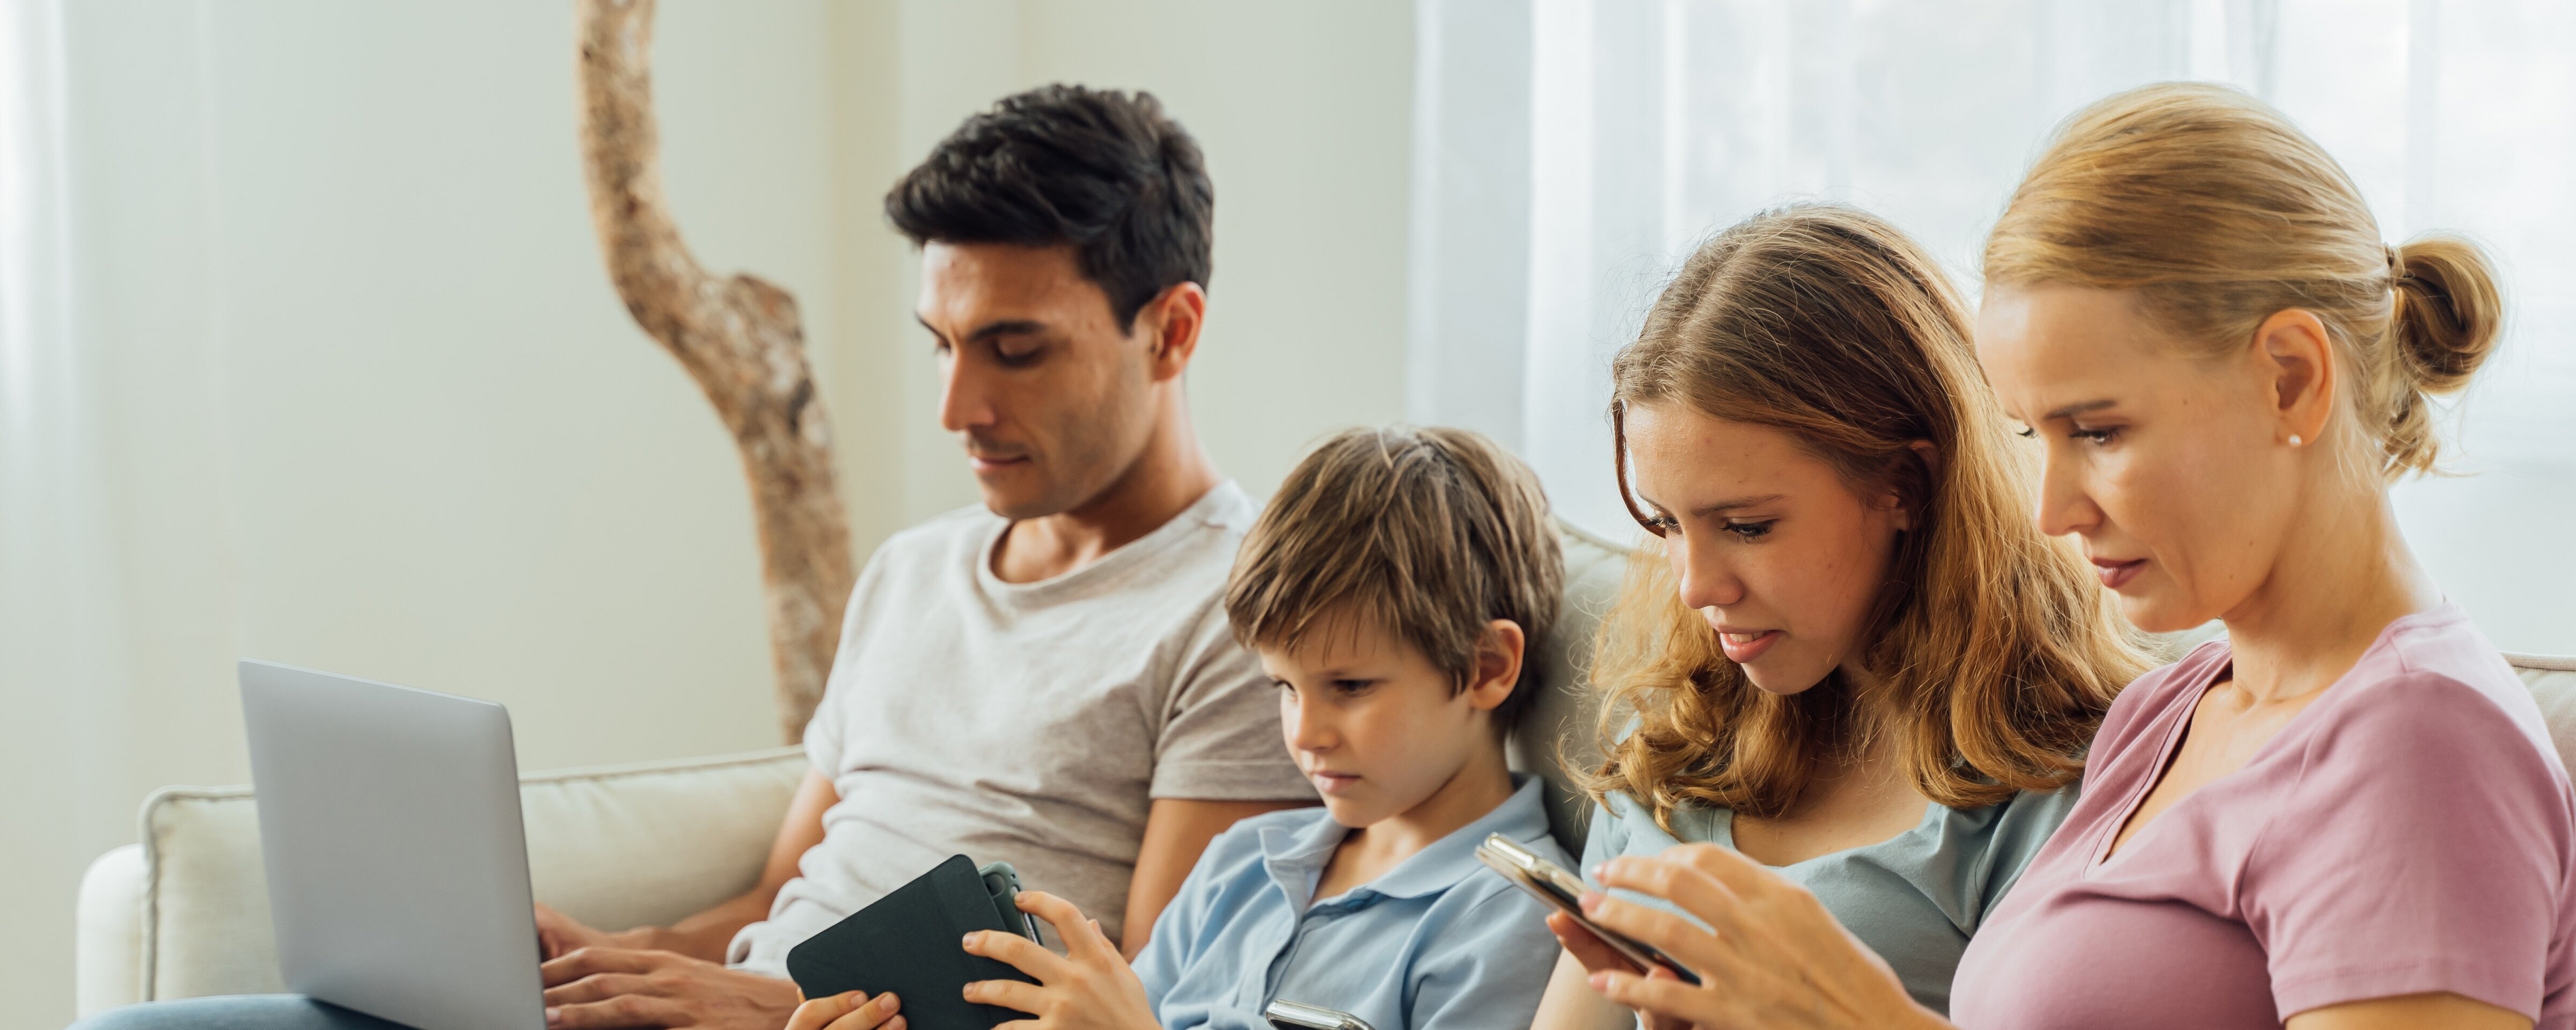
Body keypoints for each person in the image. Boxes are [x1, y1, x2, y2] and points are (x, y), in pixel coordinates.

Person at [74, 85, 1315, 1030]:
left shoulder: (1245, 616)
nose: (956, 407)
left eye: (1014, 349)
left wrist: (772, 1012)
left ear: (1172, 329)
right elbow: (784, 898)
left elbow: (1147, 998)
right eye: (940, 343)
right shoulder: (914, 571)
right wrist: (624, 953)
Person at [1568, 84, 2576, 1030]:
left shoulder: (2419, 741)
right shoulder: (2172, 714)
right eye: (2031, 437)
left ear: (2292, 379)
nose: (2049, 511)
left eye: (2098, 431)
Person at [1530, 204, 2152, 1027]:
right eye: (1668, 525)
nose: (1695, 586)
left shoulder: (2067, 789)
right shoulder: (1670, 755)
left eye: (1746, 526)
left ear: (1906, 484)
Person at [784, 426, 1577, 1030]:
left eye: (1350, 687)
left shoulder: (1504, 923)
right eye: (1283, 688)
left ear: (1485, 668)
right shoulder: (1240, 868)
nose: (1306, 733)